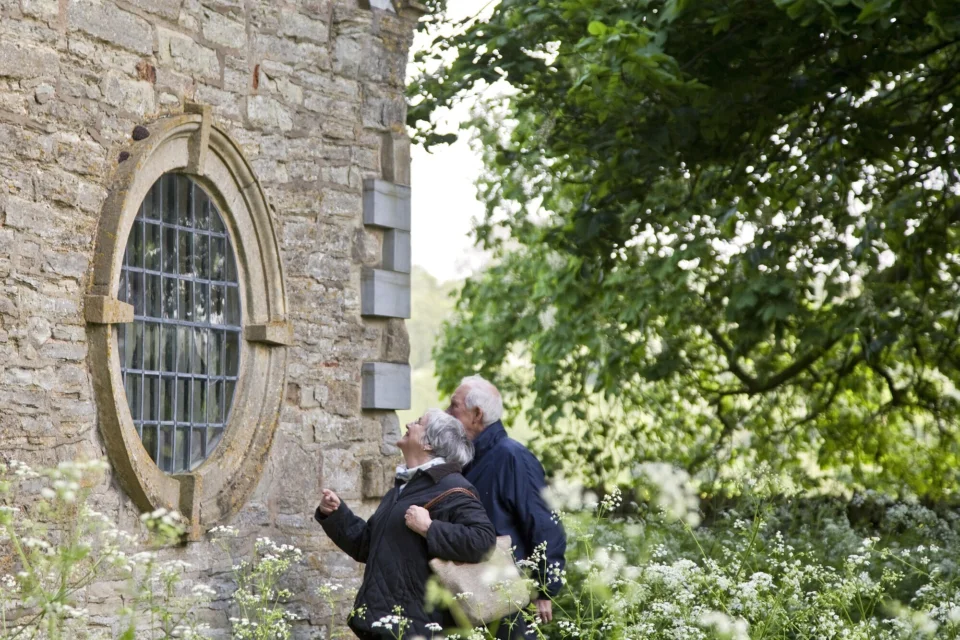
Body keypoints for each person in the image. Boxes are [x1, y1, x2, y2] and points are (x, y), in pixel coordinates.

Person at [316, 409, 496, 639]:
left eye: (419, 422)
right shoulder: (402, 489)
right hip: (382, 623)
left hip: (419, 627)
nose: (410, 424)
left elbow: (483, 541)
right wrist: (336, 514)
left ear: (429, 444)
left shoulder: (453, 488)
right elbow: (367, 547)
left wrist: (429, 528)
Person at [447, 375, 567, 639]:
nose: (447, 412)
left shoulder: (512, 458)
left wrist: (544, 589)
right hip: (474, 593)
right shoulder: (469, 457)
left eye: (454, 406)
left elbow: (544, 524)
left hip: (509, 598)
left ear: (476, 414)